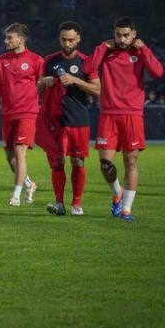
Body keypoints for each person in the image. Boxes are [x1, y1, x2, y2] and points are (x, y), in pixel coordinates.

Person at [83, 17, 164, 221]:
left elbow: (158, 72)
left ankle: (126, 209)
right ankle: (117, 192)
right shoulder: (107, 51)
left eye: (126, 35)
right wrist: (102, 47)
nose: (122, 39)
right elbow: (87, 69)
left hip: (132, 115)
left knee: (131, 162)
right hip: (108, 115)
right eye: (118, 34)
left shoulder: (139, 52)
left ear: (134, 34)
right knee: (105, 165)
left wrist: (144, 48)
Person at [36, 21, 100, 216]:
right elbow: (37, 91)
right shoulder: (49, 61)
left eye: (71, 40)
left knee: (78, 162)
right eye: (64, 39)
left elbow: (98, 89)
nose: (67, 43)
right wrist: (44, 83)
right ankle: (59, 203)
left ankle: (76, 204)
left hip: (79, 119)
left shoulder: (86, 61)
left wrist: (76, 80)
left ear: (78, 38)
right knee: (58, 162)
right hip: (56, 121)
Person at [0, 23, 43, 207]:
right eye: (6, 37)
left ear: (20, 39)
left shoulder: (36, 60)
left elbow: (44, 85)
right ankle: (30, 184)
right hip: (8, 113)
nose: (6, 41)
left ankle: (15, 195)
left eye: (9, 38)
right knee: (10, 157)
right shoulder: (1, 60)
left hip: (27, 113)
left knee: (19, 151)